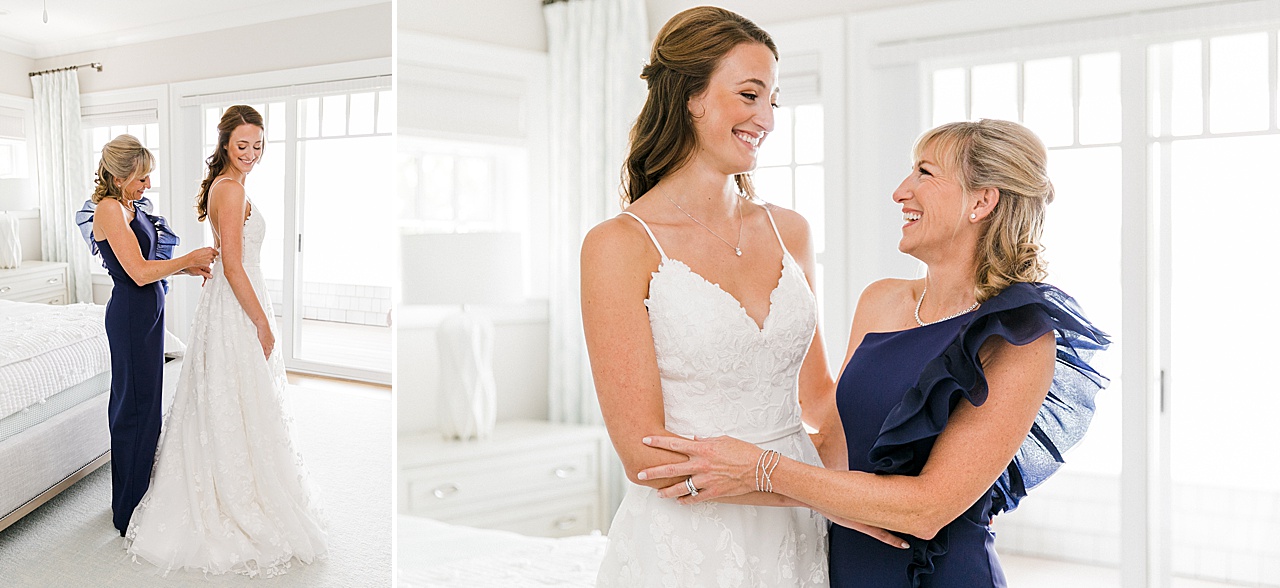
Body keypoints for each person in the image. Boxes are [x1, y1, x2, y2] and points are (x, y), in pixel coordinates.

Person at [635, 119, 1111, 587]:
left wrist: (759, 469)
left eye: (925, 172)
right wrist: (715, 479)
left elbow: (927, 509)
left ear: (982, 201)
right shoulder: (881, 300)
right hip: (843, 568)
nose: (901, 191)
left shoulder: (1019, 336)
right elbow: (833, 456)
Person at [582, 7, 853, 586]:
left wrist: (859, 498)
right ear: (689, 97)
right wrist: (812, 492)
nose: (767, 119)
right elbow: (646, 458)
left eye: (773, 101)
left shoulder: (791, 231)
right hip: (690, 542)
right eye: (750, 94)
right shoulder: (619, 245)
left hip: (802, 529)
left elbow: (819, 398)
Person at [124, 105, 327, 577]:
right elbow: (234, 266)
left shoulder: (226, 186)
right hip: (238, 303)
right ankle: (235, 496)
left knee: (230, 397)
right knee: (236, 395)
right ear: (224, 145)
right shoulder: (230, 190)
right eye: (243, 145)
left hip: (229, 300)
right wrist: (262, 322)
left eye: (258, 145)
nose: (252, 154)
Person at [76, 134, 217, 537]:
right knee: (134, 412)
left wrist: (185, 269)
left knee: (147, 407)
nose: (147, 185)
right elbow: (137, 273)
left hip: (148, 313)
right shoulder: (107, 210)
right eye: (140, 178)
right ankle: (128, 513)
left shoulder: (128, 206)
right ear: (119, 178)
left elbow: (147, 261)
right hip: (131, 318)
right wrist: (187, 258)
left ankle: (136, 499)